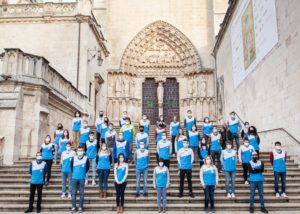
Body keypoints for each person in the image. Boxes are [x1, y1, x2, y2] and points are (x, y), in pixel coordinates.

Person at [70, 146, 89, 213]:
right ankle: (73, 207)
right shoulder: (74, 158)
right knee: (74, 193)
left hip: (82, 178)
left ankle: (80, 207)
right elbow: (71, 167)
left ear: (83, 151)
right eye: (78, 150)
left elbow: (87, 168)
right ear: (77, 151)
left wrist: (82, 173)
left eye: (81, 150)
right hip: (74, 178)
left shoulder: (86, 159)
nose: (80, 152)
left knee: (81, 193)